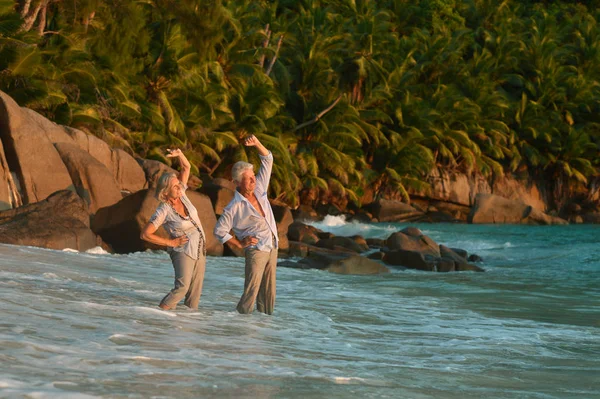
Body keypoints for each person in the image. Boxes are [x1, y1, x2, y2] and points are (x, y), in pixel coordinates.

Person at [214, 135, 279, 315]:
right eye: (248, 178)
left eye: (253, 176)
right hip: (256, 250)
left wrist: (257, 143)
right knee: (251, 291)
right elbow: (219, 230)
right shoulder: (234, 207)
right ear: (236, 182)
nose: (253, 180)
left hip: (272, 245)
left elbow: (268, 159)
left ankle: (264, 327)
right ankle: (239, 324)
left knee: (269, 293)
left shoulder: (260, 188)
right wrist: (239, 244)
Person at [140, 149, 206, 310]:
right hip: (183, 250)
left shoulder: (182, 194)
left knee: (194, 293)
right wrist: (171, 242)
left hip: (199, 247)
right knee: (181, 288)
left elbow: (186, 168)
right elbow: (145, 234)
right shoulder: (164, 210)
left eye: (178, 185)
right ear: (166, 190)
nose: (179, 187)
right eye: (175, 186)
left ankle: (186, 329)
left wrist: (180, 154)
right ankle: (158, 317)